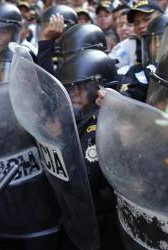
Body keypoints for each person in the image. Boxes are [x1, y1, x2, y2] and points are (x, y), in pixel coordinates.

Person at [58, 49, 124, 249]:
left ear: (101, 87)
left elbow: (83, 177)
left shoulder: (101, 122)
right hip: (81, 219)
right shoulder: (77, 118)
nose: (74, 92)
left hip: (103, 223)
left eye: (81, 85)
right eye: (70, 87)